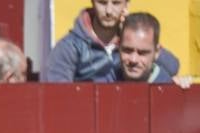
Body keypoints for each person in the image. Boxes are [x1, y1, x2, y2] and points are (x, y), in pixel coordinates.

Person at [43, 0, 179, 84]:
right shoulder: (70, 46)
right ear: (92, 1)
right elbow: (58, 94)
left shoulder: (131, 41)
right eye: (102, 2)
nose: (108, 11)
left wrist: (127, 29)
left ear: (126, 4)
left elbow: (172, 67)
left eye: (116, 3)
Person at [117, 12, 176, 84]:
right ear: (119, 47)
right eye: (127, 51)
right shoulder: (107, 79)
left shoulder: (170, 89)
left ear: (157, 52)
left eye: (142, 53)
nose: (133, 60)